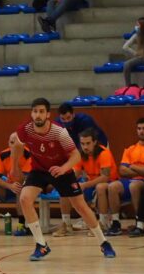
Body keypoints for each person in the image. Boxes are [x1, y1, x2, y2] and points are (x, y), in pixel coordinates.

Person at [9, 98, 115, 261]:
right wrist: (14, 167)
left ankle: (103, 242)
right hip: (39, 169)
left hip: (61, 169)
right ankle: (41, 245)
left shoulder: (59, 132)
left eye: (42, 111)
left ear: (48, 114)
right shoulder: (25, 129)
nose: (38, 115)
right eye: (35, 111)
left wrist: (63, 168)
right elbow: (17, 144)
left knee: (80, 206)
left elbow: (76, 155)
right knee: (24, 198)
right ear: (31, 113)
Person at [61, 129, 117, 238]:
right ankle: (66, 224)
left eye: (88, 143)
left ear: (95, 142)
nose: (85, 147)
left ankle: (103, 223)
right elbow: (76, 174)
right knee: (66, 187)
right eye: (82, 144)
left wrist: (84, 185)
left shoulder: (104, 153)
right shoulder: (80, 154)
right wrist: (64, 182)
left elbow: (105, 177)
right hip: (91, 183)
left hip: (109, 183)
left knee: (100, 187)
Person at [105, 117, 144, 237]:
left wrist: (132, 166)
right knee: (113, 186)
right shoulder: (131, 149)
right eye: (139, 129)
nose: (141, 131)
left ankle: (139, 222)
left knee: (134, 185)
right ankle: (116, 223)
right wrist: (140, 170)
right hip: (129, 181)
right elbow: (122, 170)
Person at [0, 145, 32, 236]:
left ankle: (21, 225)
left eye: (16, 143)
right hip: (9, 186)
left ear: (22, 145)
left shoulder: (29, 155)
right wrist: (9, 186)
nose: (13, 145)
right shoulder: (3, 154)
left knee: (19, 188)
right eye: (11, 142)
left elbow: (23, 179)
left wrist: (15, 162)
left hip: (25, 186)